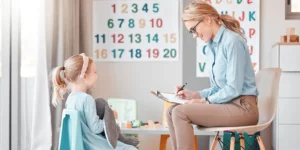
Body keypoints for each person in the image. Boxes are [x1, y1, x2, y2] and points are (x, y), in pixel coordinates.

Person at [166, 1, 259, 150]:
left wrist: (204, 102)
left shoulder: (232, 41)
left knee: (180, 112)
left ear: (207, 19)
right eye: (191, 32)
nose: (195, 35)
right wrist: (195, 95)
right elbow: (218, 88)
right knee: (171, 111)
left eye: (194, 29)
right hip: (227, 104)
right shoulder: (212, 47)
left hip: (243, 108)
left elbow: (233, 89)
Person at [52, 53, 138, 150]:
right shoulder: (86, 99)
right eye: (95, 72)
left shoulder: (71, 98)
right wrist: (109, 117)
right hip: (91, 144)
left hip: (79, 143)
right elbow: (95, 128)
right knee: (130, 149)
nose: (97, 75)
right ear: (84, 76)